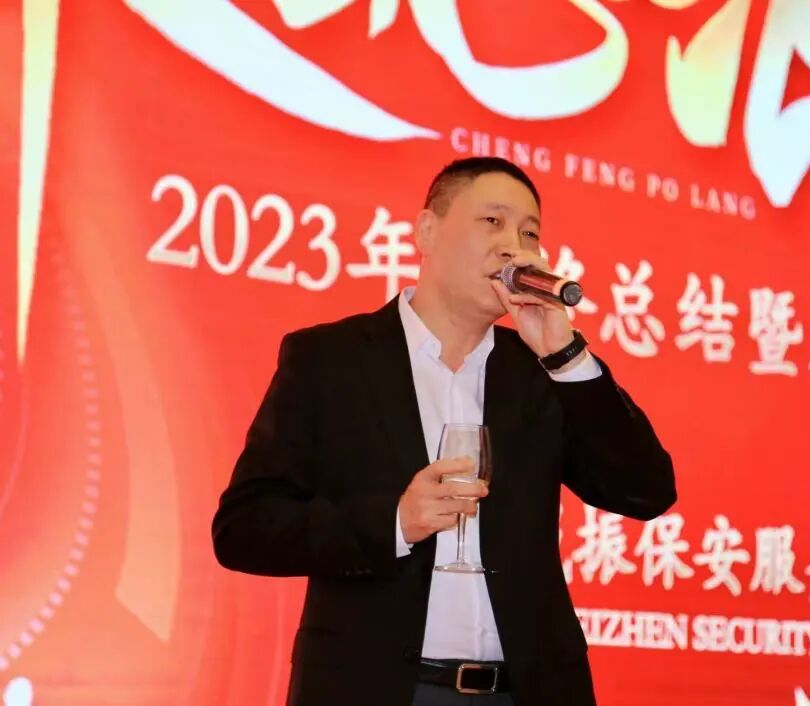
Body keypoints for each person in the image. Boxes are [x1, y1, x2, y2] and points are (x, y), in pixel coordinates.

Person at [212, 157, 676, 705]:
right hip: (376, 689)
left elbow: (646, 491)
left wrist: (565, 353)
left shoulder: (541, 373)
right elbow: (244, 529)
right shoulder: (329, 361)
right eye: (492, 221)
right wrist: (394, 523)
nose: (513, 247)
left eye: (529, 233)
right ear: (427, 231)